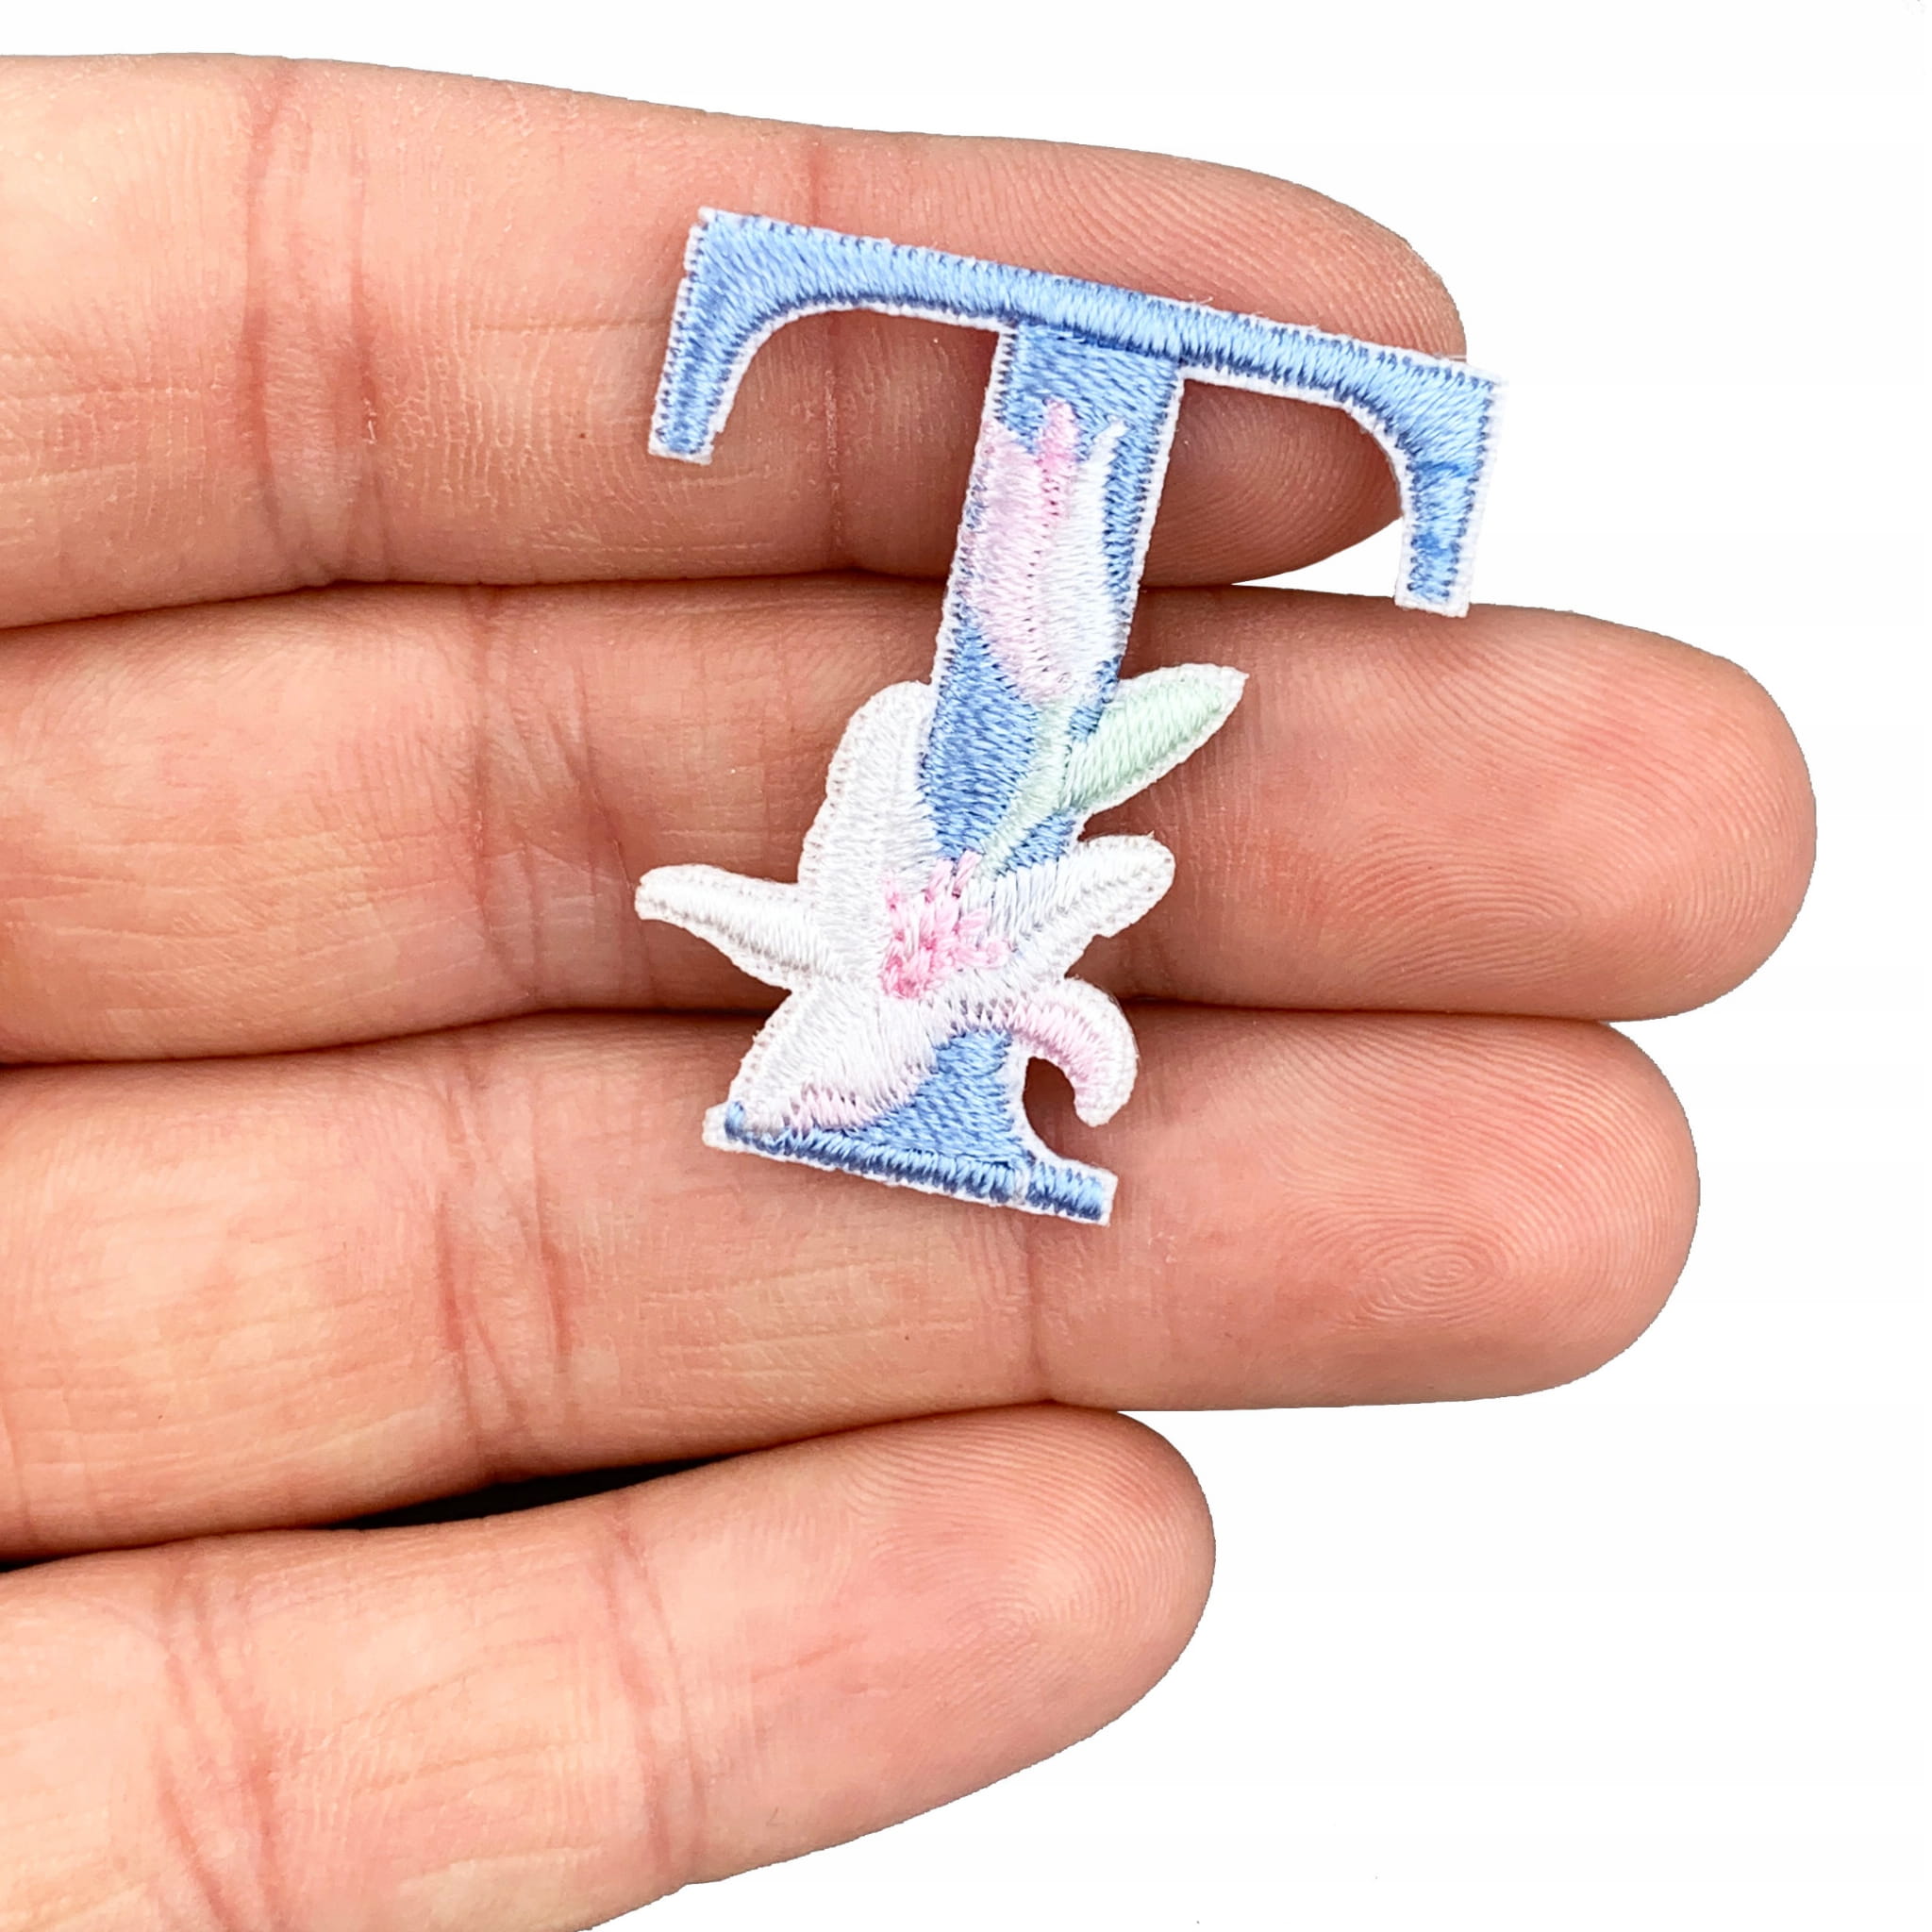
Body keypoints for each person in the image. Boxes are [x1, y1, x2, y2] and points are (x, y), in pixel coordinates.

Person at [0, 55, 1812, 1930]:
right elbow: (800, 894)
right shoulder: (880, 886)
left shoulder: (1017, 910)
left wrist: (989, 980)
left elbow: (1057, 938)